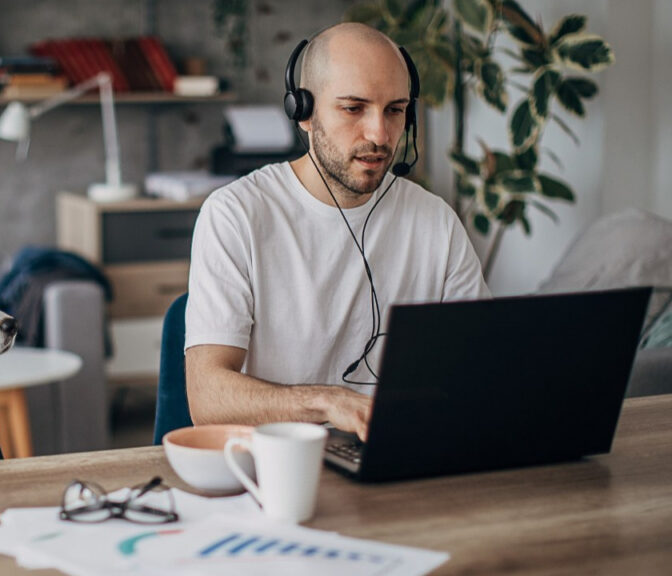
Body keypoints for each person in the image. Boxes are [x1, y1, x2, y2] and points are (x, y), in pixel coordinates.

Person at [184, 23, 490, 441]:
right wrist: (328, 402)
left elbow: (481, 365)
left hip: (399, 455)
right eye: (353, 108)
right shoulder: (236, 214)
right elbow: (207, 399)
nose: (380, 135)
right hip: (280, 469)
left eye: (395, 110)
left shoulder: (434, 220)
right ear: (303, 111)